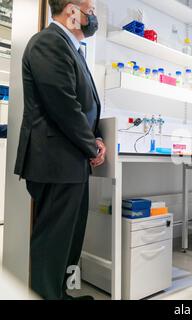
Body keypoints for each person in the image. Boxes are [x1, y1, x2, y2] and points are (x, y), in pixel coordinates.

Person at [14, 0, 105, 300]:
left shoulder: (72, 50)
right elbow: (64, 106)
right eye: (90, 10)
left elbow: (84, 106)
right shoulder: (48, 43)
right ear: (72, 11)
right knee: (53, 241)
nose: (93, 17)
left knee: (69, 238)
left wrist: (96, 139)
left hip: (72, 160)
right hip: (55, 161)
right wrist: (92, 145)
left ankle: (61, 294)